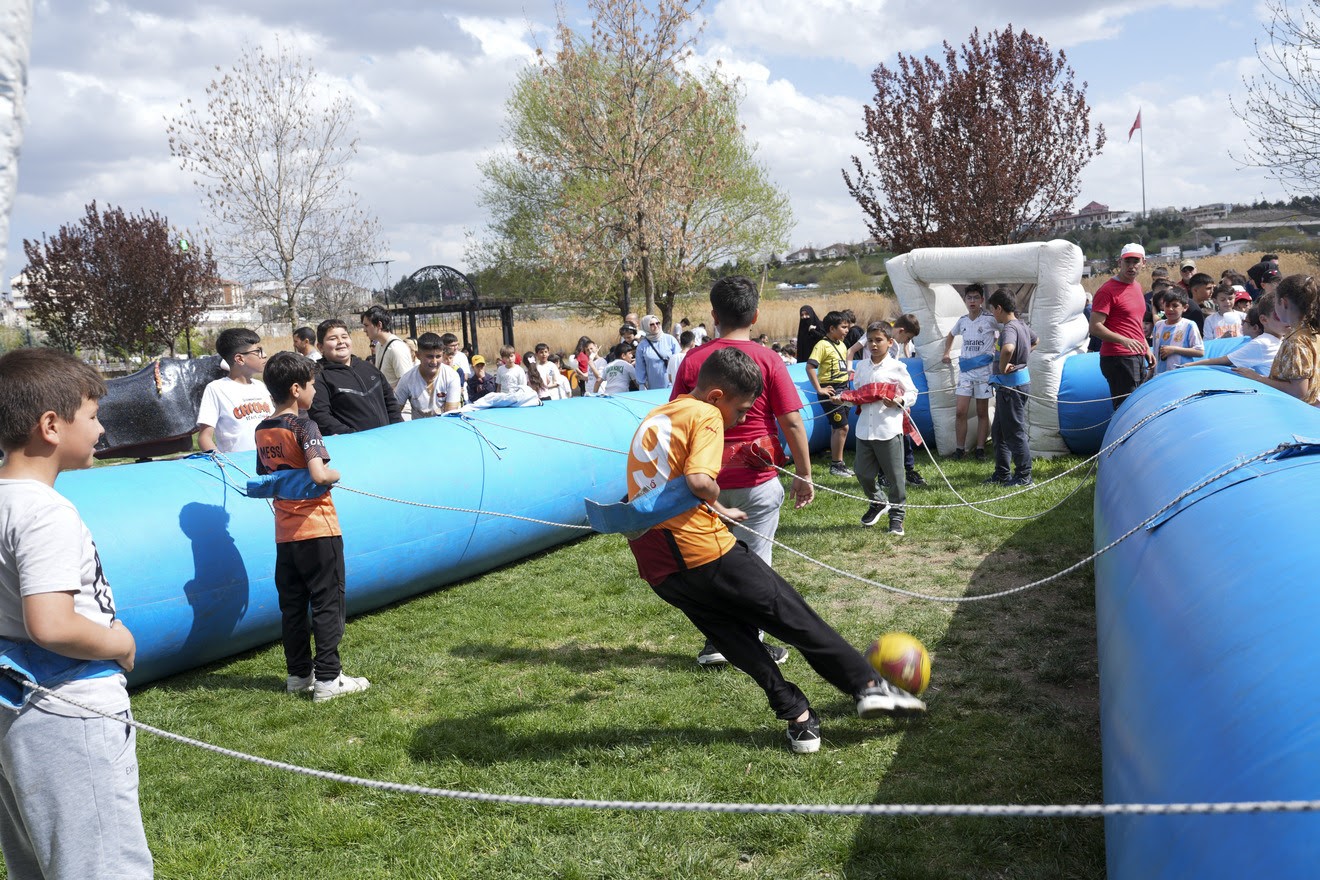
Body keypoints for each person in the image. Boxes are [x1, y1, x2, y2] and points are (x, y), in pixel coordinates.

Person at [625, 347, 924, 755]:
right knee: (794, 617)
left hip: (656, 564)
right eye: (743, 409)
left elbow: (658, 481)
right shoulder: (707, 415)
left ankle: (796, 715)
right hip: (701, 551)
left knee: (732, 635)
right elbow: (697, 479)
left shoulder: (658, 414)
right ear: (716, 397)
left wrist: (708, 505)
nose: (744, 418)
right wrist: (719, 502)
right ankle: (868, 686)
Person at [0, 348, 153, 878]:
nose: (101, 428)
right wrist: (122, 644)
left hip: (14, 709)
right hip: (67, 710)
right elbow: (52, 623)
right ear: (50, 425)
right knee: (99, 862)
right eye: (91, 416)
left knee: (41, 860)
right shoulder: (44, 511)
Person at [671, 275, 815, 667]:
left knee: (709, 561)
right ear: (755, 314)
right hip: (756, 479)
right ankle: (749, 640)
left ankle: (716, 641)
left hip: (704, 478)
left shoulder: (694, 359)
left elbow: (678, 418)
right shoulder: (768, 359)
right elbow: (792, 422)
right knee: (755, 561)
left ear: (714, 315)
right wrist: (804, 472)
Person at [254, 352, 370, 703]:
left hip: (285, 535)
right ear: (295, 389)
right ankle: (328, 680)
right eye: (311, 385)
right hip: (318, 528)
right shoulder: (304, 426)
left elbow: (267, 476)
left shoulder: (262, 429)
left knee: (292, 605)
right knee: (327, 603)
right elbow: (319, 474)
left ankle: (298, 675)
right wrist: (336, 474)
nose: (315, 391)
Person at [852, 322, 916, 534]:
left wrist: (900, 399)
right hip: (864, 430)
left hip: (888, 429)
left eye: (878, 340)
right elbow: (857, 395)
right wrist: (842, 399)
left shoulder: (897, 367)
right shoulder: (860, 367)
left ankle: (897, 518)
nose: (873, 344)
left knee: (895, 478)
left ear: (890, 342)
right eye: (870, 340)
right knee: (862, 472)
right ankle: (878, 501)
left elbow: (912, 393)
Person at [308, 318, 404, 435]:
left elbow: (390, 401)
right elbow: (321, 416)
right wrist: (354, 436)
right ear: (321, 347)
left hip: (386, 439)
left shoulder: (368, 368)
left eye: (344, 337)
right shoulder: (319, 377)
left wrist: (397, 429)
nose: (340, 341)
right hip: (354, 446)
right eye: (333, 338)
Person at [1234, 274, 1320, 404]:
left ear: (1283, 303)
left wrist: (1257, 378)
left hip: (1299, 411)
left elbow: (1299, 391)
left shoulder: (1296, 341)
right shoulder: (1311, 331)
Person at [1090, 243, 1154, 410]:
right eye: (1127, 262)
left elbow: (1134, 322)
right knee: (1127, 408)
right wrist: (1123, 340)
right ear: (1120, 263)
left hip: (1137, 354)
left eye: (1135, 261)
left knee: (1139, 404)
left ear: (1143, 263)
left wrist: (1146, 346)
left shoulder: (1137, 286)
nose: (1131, 266)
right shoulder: (1107, 290)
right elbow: (1095, 327)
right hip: (1118, 357)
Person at [985, 289, 1037, 487]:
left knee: (1014, 432)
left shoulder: (1009, 328)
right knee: (998, 431)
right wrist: (1023, 359)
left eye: (993, 310)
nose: (993, 314)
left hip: (1011, 389)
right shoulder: (1022, 325)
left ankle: (1024, 476)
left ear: (999, 308)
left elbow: (1007, 348)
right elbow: (1036, 341)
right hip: (1013, 386)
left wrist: (1003, 366)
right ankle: (1002, 473)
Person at [941, 283, 997, 459]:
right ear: (965, 300)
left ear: (982, 300)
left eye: (975, 298)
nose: (972, 301)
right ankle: (960, 449)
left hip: (984, 373)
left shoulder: (990, 319)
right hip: (966, 373)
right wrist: (946, 352)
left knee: (982, 412)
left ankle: (980, 449)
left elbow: (1005, 329)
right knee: (961, 411)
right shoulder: (962, 320)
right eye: (969, 298)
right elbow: (950, 335)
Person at [196, 327, 273, 453]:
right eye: (258, 351)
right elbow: (204, 438)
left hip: (270, 466)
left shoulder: (260, 386)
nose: (264, 355)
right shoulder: (216, 389)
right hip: (239, 468)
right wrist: (226, 464)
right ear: (240, 359)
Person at [1181, 291, 1284, 376]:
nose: (1241, 325)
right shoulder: (1281, 339)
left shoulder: (1261, 343)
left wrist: (1189, 365)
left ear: (1256, 327)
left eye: (1244, 322)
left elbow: (1224, 360)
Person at [806, 310, 854, 477]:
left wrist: (848, 372)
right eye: (843, 327)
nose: (847, 330)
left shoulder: (842, 344)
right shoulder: (822, 345)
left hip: (844, 388)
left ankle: (838, 463)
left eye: (848, 327)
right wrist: (820, 389)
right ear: (832, 328)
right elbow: (810, 366)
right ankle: (836, 465)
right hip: (831, 391)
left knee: (838, 428)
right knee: (843, 427)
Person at [890, 313, 928, 487]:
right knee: (886, 441)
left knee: (904, 435)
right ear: (901, 331)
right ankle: (884, 474)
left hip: (897, 400)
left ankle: (909, 470)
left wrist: (903, 399)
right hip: (881, 404)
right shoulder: (883, 342)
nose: (907, 342)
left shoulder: (895, 348)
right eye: (908, 338)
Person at [394, 332, 463, 417]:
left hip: (445, 426)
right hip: (419, 428)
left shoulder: (452, 376)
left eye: (438, 356)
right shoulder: (407, 379)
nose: (434, 362)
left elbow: (450, 415)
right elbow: (394, 411)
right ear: (418, 355)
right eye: (429, 357)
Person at [360, 305, 412, 392]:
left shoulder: (396, 348)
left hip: (399, 404)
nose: (364, 330)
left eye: (366, 325)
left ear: (379, 325)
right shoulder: (379, 345)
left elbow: (406, 382)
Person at [1151, 289, 1203, 375]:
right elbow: (1155, 352)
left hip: (1180, 375)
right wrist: (1150, 373)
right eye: (1167, 305)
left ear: (1185, 307)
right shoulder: (1158, 325)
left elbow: (1200, 351)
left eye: (1175, 306)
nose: (1170, 309)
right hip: (1159, 375)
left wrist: (1174, 350)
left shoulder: (1189, 325)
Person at [635, 314, 680, 390]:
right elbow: (640, 367)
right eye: (651, 324)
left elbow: (679, 360)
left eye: (657, 323)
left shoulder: (670, 339)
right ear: (646, 326)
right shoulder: (642, 346)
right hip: (653, 387)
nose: (655, 326)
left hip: (672, 385)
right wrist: (641, 384)